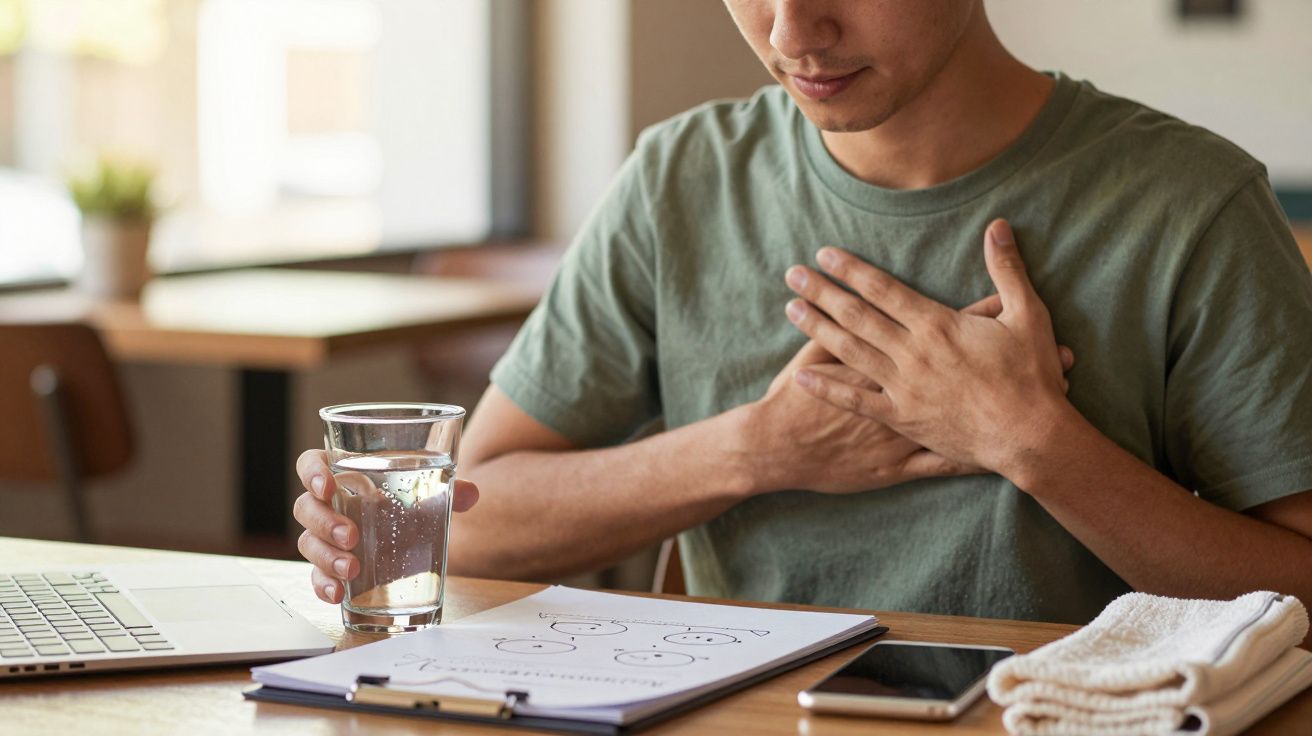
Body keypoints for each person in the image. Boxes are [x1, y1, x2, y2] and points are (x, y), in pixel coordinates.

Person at [292, 1, 1312, 633]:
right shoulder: (680, 178)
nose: (790, 33)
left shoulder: (1190, 204)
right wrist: (755, 450)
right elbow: (462, 526)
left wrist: (1032, 442)